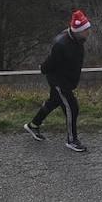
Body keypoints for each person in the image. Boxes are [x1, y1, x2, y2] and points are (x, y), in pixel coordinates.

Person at [24, 9, 92, 153]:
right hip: (60, 82)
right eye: (86, 30)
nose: (88, 33)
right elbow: (50, 63)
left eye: (88, 29)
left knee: (53, 102)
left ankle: (33, 125)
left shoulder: (78, 39)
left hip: (67, 80)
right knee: (72, 108)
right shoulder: (62, 45)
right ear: (78, 31)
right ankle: (72, 140)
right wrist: (43, 68)